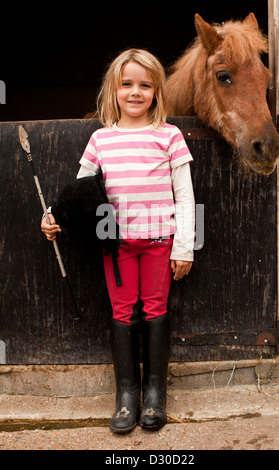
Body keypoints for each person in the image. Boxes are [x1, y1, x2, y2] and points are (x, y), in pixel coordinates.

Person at [41, 49, 195, 434]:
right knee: (123, 310)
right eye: (127, 84)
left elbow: (186, 195)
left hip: (160, 239)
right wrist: (52, 216)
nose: (135, 92)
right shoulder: (100, 140)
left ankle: (155, 397)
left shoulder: (169, 136)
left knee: (155, 308)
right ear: (113, 90)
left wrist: (184, 246)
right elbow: (79, 192)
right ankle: (127, 397)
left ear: (157, 91)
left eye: (145, 85)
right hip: (115, 242)